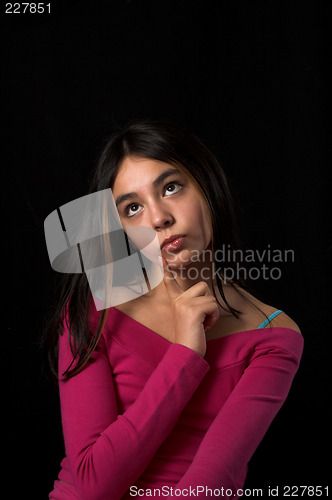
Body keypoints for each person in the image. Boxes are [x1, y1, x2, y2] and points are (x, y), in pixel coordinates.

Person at [46, 120, 303, 500]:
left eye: (171, 187)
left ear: (207, 185)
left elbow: (209, 485)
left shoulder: (272, 335)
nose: (158, 218)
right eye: (132, 208)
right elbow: (92, 487)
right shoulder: (94, 311)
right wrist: (184, 354)